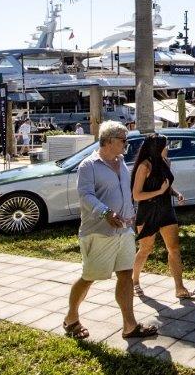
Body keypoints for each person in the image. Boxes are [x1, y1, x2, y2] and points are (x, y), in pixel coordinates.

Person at [65, 121, 155, 341]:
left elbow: (125, 193)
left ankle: (129, 326)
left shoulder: (121, 162)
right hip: (99, 232)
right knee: (89, 277)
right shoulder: (88, 166)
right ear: (108, 141)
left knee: (125, 274)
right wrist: (105, 212)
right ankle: (71, 318)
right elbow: (85, 195)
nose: (126, 144)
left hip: (124, 231)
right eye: (123, 140)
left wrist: (132, 214)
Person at [131, 134, 190, 299]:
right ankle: (134, 281)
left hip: (166, 210)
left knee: (174, 248)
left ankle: (180, 288)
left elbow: (166, 185)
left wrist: (176, 193)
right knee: (146, 249)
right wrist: (159, 192)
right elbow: (136, 195)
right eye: (165, 145)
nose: (168, 148)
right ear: (157, 148)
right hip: (148, 212)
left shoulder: (165, 162)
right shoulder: (144, 166)